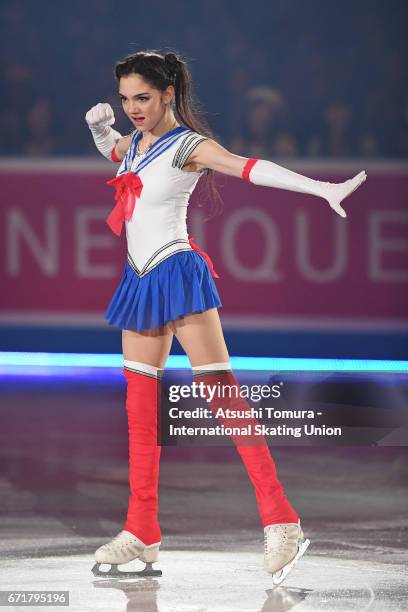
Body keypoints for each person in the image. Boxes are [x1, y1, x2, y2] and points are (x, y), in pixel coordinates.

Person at [85, 49, 366, 583]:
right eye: (125, 100)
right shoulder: (135, 142)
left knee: (223, 395)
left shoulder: (191, 145)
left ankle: (282, 520)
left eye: (142, 98)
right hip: (138, 278)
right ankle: (141, 527)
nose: (132, 109)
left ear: (169, 94)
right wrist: (104, 135)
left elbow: (249, 168)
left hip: (177, 272)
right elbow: (121, 154)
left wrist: (320, 188)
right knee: (140, 408)